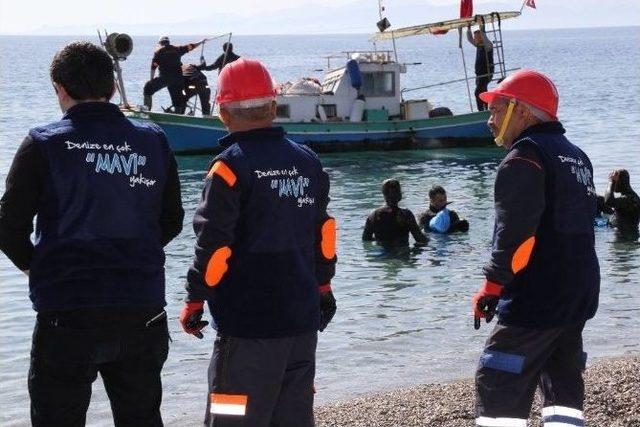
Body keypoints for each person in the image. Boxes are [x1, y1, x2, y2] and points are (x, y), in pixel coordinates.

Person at [0, 42, 184, 426]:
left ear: (59, 88)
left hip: (67, 310)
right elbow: (171, 220)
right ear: (113, 88)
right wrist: (133, 255)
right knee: (142, 418)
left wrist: (38, 267)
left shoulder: (44, 142)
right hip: (141, 306)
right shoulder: (152, 140)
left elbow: (9, 226)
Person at [178, 58, 337, 426]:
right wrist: (324, 287)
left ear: (223, 111)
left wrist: (194, 299)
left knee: (231, 416)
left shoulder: (229, 168)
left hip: (248, 328)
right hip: (300, 321)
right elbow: (323, 235)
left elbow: (215, 247)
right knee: (292, 417)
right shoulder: (307, 162)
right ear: (272, 105)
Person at [471, 70, 600, 427]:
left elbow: (515, 237)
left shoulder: (523, 159)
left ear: (522, 112)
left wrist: (492, 288)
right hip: (578, 295)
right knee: (562, 387)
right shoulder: (577, 157)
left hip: (536, 299)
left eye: (497, 109)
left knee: (498, 381)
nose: (490, 120)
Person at [143, 36, 204, 114]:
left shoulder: (158, 52)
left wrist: (151, 80)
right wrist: (201, 42)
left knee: (147, 88)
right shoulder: (176, 49)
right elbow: (191, 46)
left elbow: (153, 67)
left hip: (165, 78)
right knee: (177, 99)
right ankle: (178, 115)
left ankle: (147, 111)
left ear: (160, 43)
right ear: (168, 42)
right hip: (178, 79)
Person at [363, 179, 429, 246]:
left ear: (384, 194)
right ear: (399, 194)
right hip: (402, 254)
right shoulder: (406, 214)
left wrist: (380, 240)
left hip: (382, 255)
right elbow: (421, 240)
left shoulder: (373, 215)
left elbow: (366, 240)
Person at [603, 169, 640, 236]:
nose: (613, 187)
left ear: (621, 182)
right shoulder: (630, 196)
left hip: (625, 241)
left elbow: (608, 201)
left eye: (615, 181)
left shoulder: (630, 198)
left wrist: (611, 182)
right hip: (624, 237)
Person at [467, 26, 494, 111]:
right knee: (483, 91)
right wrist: (468, 28)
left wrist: (482, 27)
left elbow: (485, 37)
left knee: (477, 92)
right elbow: (470, 39)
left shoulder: (488, 45)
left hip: (486, 73)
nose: (475, 39)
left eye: (477, 37)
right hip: (479, 74)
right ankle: (486, 109)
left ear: (481, 37)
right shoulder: (478, 45)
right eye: (475, 37)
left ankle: (481, 111)